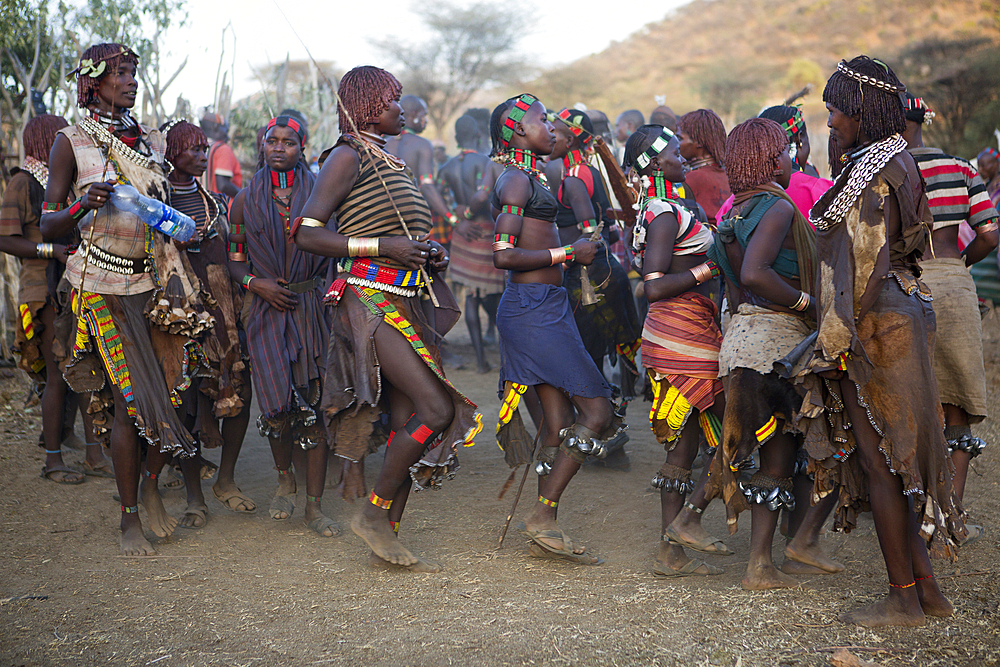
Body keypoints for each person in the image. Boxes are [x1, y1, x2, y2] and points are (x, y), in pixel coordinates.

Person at [294, 66, 481, 572]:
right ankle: (374, 514)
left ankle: (388, 532)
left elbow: (398, 233)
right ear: (373, 108)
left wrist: (426, 253)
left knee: (408, 419)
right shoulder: (346, 156)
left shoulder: (390, 160)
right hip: (368, 301)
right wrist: (385, 245)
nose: (403, 109)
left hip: (406, 296)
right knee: (436, 409)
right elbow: (307, 233)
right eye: (395, 101)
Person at [805, 56, 965, 627]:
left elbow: (867, 262)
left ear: (861, 111)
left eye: (834, 112)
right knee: (893, 463)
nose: (829, 124)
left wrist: (836, 333)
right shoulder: (887, 157)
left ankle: (902, 599)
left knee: (881, 464)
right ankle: (926, 591)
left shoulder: (876, 169)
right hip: (894, 314)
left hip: (877, 323)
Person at [42, 43, 213, 555]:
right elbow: (48, 222)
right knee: (128, 405)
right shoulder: (71, 142)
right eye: (120, 73)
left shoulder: (149, 141)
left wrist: (189, 227)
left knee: (177, 391)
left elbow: (163, 206)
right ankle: (129, 520)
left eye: (134, 73)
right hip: (101, 287)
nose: (131, 82)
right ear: (94, 83)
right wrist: (78, 207)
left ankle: (150, 485)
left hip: (157, 285)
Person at [705, 118, 842, 590]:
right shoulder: (777, 209)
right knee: (778, 458)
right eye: (783, 153)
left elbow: (738, 287)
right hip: (776, 344)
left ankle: (759, 561)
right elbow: (759, 276)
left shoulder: (733, 215)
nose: (790, 160)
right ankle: (760, 565)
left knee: (753, 449)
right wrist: (811, 304)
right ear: (765, 161)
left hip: (743, 339)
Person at [490, 93, 627, 564]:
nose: (550, 127)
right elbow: (503, 256)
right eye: (540, 121)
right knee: (597, 410)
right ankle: (544, 515)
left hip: (545, 304)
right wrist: (569, 254)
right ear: (516, 133)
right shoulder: (514, 182)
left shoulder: (535, 177)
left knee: (557, 424)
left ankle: (544, 519)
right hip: (531, 310)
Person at [623, 123, 731, 577]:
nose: (681, 156)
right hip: (680, 332)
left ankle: (672, 549)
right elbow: (653, 286)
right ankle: (686, 524)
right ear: (653, 164)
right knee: (732, 428)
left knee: (685, 444)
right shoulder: (665, 212)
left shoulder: (660, 208)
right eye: (671, 152)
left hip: (683, 329)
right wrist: (711, 267)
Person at [227, 115, 338, 538]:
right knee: (276, 404)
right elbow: (235, 261)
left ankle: (314, 506)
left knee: (316, 404)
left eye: (288, 142)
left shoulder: (324, 195)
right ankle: (283, 479)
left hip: (313, 307)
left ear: (303, 146)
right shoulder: (243, 200)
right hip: (266, 310)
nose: (278, 147)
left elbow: (335, 251)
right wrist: (259, 285)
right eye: (271, 140)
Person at [0, 114, 113, 483]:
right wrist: (51, 251)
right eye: (59, 137)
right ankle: (53, 461)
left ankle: (95, 455)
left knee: (83, 370)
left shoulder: (64, 185)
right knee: (56, 375)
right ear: (45, 140)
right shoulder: (23, 181)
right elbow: (5, 239)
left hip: (74, 285)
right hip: (43, 292)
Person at [902, 93, 999, 516]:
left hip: (904, 283)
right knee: (956, 398)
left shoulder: (886, 170)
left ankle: (918, 503)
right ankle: (952, 510)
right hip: (955, 283)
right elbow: (990, 235)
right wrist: (959, 263)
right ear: (924, 121)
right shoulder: (961, 168)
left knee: (912, 394)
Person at [162, 120, 256, 523]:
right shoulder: (157, 198)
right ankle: (194, 495)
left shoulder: (218, 202)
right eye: (193, 149)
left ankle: (227, 479)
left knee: (239, 388)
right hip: (177, 310)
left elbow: (237, 251)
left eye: (205, 149)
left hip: (223, 310)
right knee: (184, 397)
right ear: (170, 153)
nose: (203, 156)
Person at [549, 108, 641, 405]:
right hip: (602, 270)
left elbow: (590, 233)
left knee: (588, 353)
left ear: (571, 140)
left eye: (556, 134)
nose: (550, 137)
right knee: (595, 352)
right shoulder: (590, 171)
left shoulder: (574, 178)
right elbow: (610, 231)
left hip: (586, 277)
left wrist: (564, 256)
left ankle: (601, 419)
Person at [439, 115, 505, 373]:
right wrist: (467, 216)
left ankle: (480, 362)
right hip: (486, 232)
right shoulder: (486, 162)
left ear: (456, 139)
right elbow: (484, 196)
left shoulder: (446, 167)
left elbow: (436, 196)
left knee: (471, 300)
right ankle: (506, 360)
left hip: (463, 236)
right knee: (499, 300)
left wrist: (456, 220)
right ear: (479, 136)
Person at [384, 95, 457, 232]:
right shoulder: (422, 145)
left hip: (384, 218)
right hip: (413, 218)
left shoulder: (385, 144)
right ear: (414, 114)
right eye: (425, 115)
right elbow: (426, 187)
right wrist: (453, 219)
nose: (426, 120)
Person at [676, 110, 731, 225]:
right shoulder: (731, 175)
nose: (677, 144)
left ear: (699, 142)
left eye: (680, 139)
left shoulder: (688, 180)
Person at [200, 112, 241, 197]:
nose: (227, 136)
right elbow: (223, 185)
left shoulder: (197, 148)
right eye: (226, 130)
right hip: (220, 207)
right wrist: (245, 196)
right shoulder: (222, 149)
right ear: (216, 127)